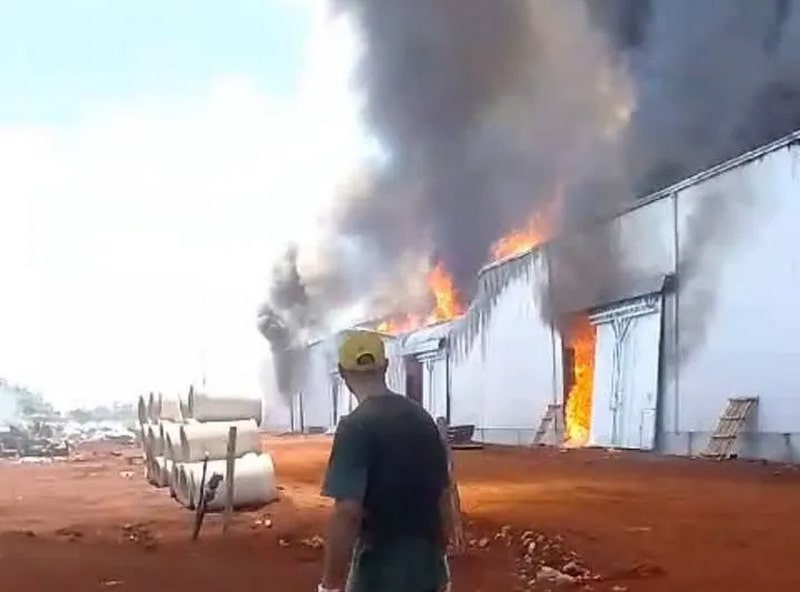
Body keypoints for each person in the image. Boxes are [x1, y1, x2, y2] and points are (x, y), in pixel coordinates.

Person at [318, 330, 457, 592]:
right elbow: (444, 500)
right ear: (385, 366)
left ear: (343, 373)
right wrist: (440, 565)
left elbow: (347, 512)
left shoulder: (356, 426)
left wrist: (330, 585)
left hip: (378, 573)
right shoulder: (423, 419)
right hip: (428, 570)